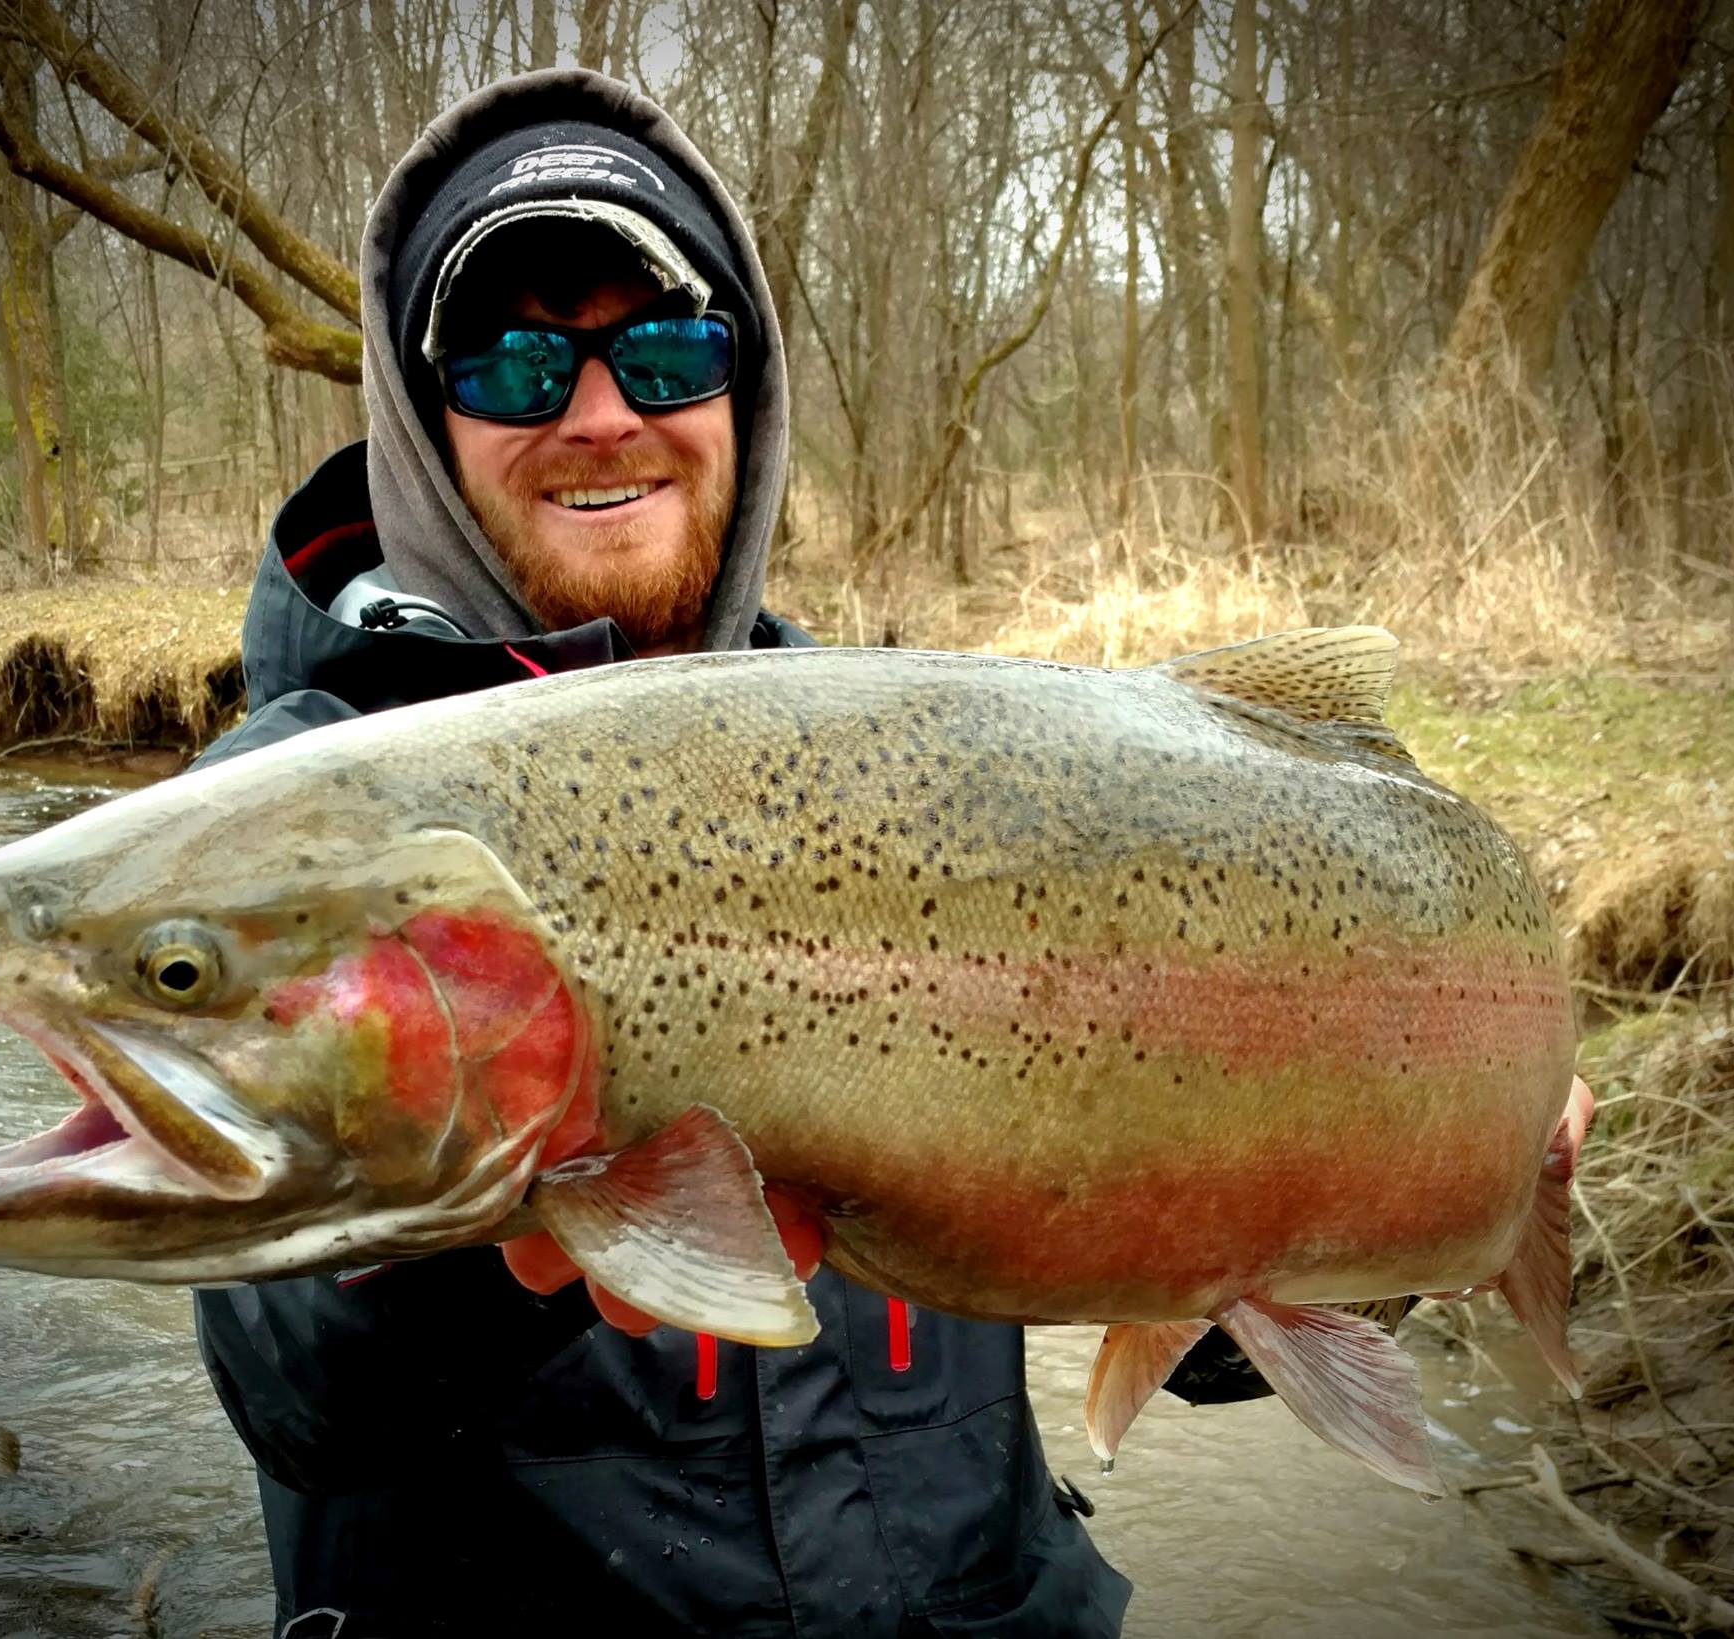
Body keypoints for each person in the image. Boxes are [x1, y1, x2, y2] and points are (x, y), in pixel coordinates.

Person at [192, 67, 1255, 1637]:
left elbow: (1195, 1295)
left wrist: (1430, 1196)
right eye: (515, 362)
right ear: (425, 426)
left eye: (667, 347)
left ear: (743, 401)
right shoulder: (286, 816)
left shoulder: (919, 773)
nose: (600, 412)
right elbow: (305, 1391)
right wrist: (505, 1230)